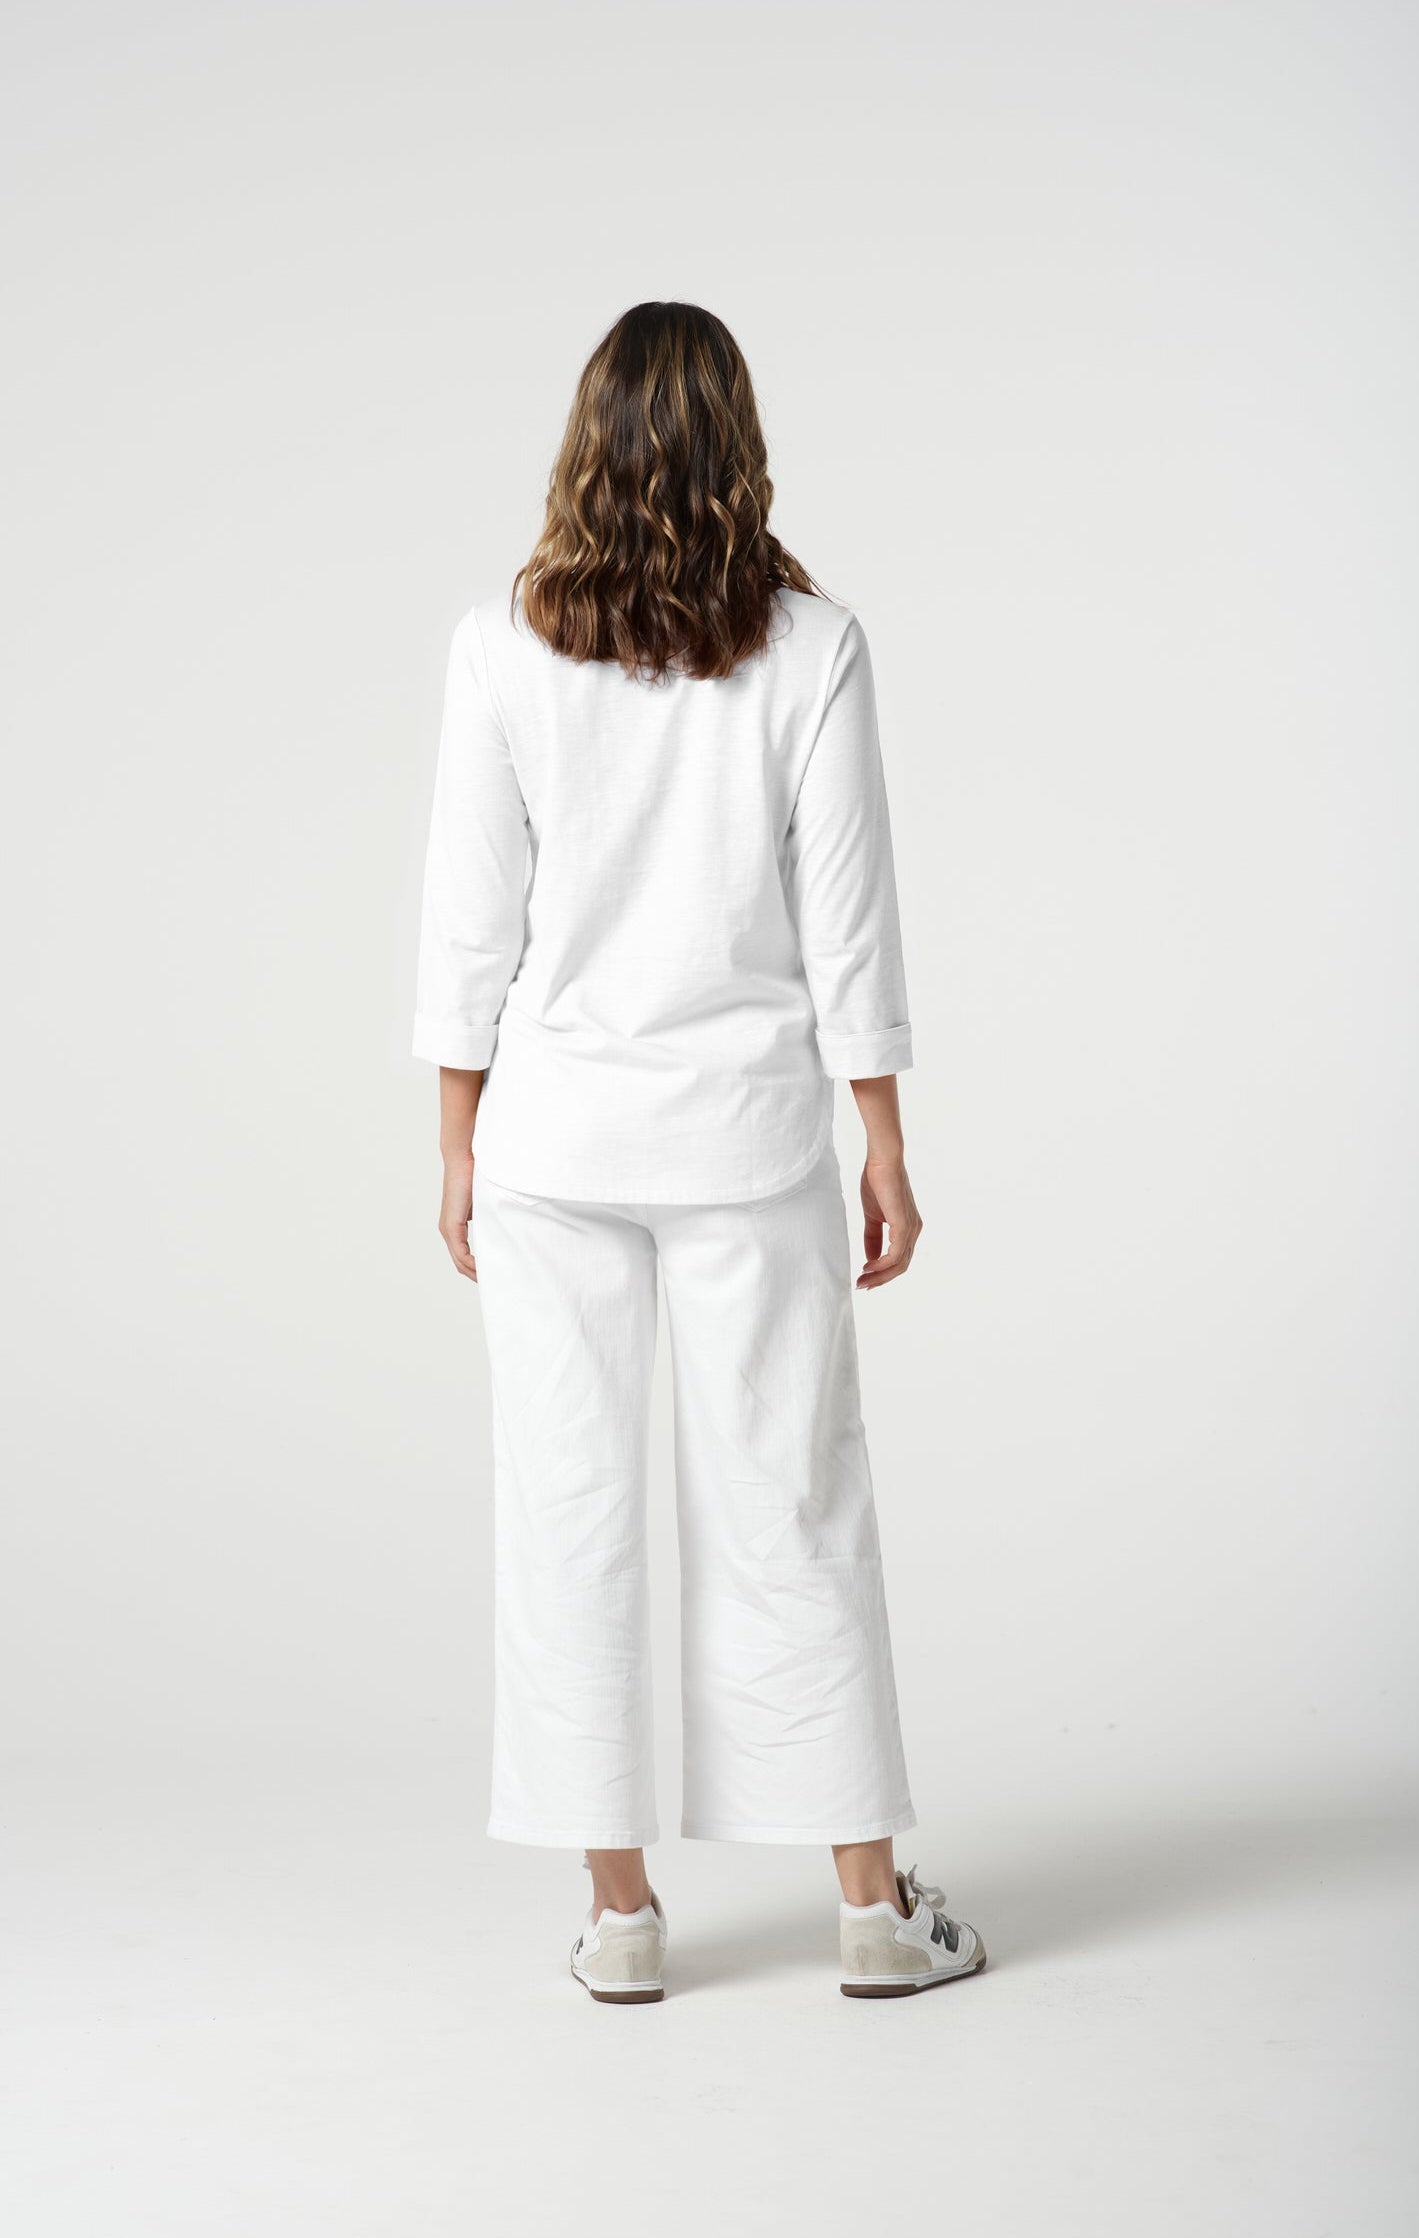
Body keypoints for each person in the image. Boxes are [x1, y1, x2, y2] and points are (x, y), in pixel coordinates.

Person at [412, 301, 985, 2002]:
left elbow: (468, 926)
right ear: (741, 447)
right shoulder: (814, 646)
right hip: (747, 1139)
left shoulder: (501, 646)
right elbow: (852, 924)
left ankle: (620, 1919)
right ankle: (872, 1910)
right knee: (794, 1502)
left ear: (586, 444)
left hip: (554, 1140)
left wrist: (455, 1141)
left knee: (568, 1508)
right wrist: (885, 1141)